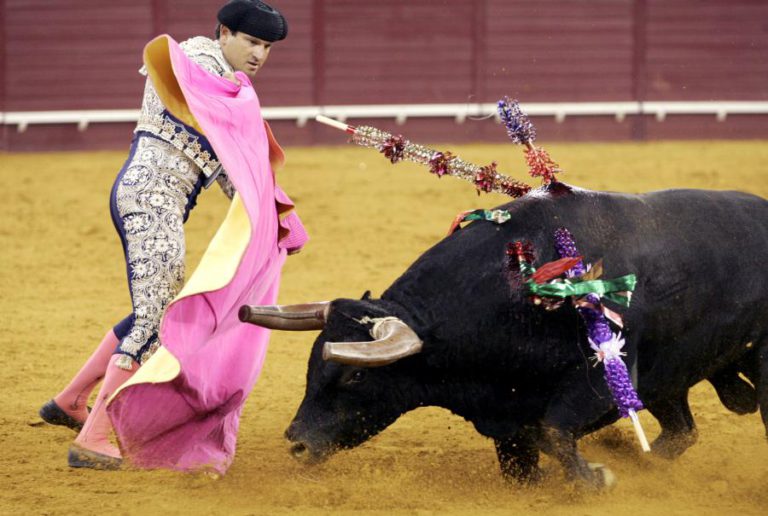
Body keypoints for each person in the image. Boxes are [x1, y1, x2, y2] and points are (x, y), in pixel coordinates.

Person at [39, 0, 296, 470]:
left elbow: (236, 177)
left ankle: (71, 400)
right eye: (252, 42)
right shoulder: (197, 58)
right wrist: (242, 105)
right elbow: (196, 78)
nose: (260, 55)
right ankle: (95, 437)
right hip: (148, 200)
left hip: (162, 206)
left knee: (155, 307)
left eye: (268, 47)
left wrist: (278, 214)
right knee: (157, 319)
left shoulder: (230, 104)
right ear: (223, 33)